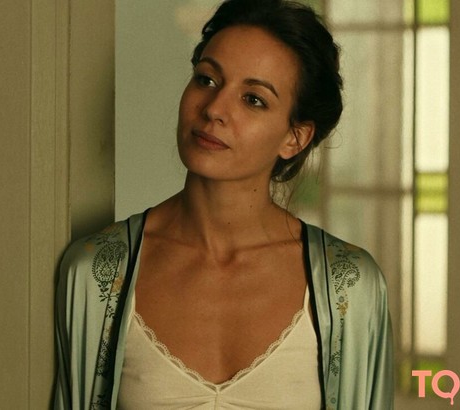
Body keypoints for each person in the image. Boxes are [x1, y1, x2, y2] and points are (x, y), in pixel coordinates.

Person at [52, 0, 393, 408]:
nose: (214, 109)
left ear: (295, 137)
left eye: (253, 99)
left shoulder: (351, 288)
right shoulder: (95, 274)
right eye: (207, 79)